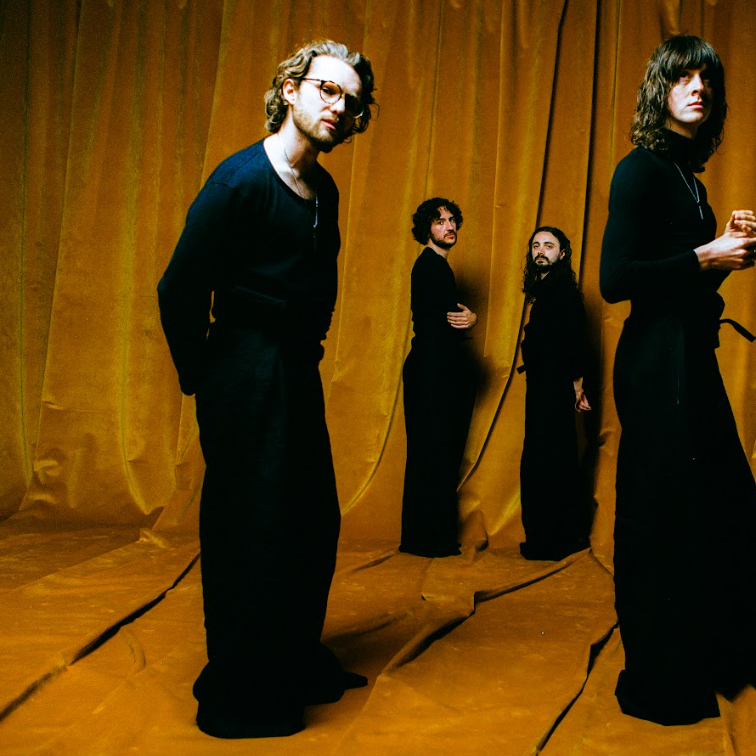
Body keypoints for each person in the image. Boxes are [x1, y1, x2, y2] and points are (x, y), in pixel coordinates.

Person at [156, 40, 375, 739]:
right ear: (290, 89)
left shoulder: (324, 190)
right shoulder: (239, 182)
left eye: (351, 100)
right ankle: (242, 692)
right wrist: (204, 376)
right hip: (243, 369)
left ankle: (293, 661)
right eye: (327, 89)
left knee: (311, 520)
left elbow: (317, 282)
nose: (339, 106)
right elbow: (177, 288)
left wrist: (305, 347)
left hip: (294, 367)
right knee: (252, 527)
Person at [599, 35, 756, 726]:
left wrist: (725, 255)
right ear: (660, 91)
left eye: (706, 79)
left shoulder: (689, 180)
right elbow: (615, 280)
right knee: (662, 518)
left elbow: (684, 279)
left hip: (690, 356)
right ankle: (660, 681)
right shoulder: (639, 169)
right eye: (682, 77)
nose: (697, 87)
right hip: (654, 361)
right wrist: (706, 254)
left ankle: (713, 658)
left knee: (722, 510)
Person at [400, 198, 478, 557]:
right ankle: (430, 539)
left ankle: (425, 538)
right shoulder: (431, 266)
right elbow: (451, 320)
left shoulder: (435, 266)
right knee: (434, 450)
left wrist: (468, 320)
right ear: (426, 229)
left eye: (451, 220)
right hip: (432, 368)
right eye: (439, 221)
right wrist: (470, 320)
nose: (449, 226)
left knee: (431, 450)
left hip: (433, 367)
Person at [518, 226, 592, 561]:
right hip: (543, 386)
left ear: (562, 254)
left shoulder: (563, 293)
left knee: (546, 460)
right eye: (536, 245)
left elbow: (575, 342)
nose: (540, 250)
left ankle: (550, 540)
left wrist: (577, 385)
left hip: (553, 387)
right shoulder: (547, 290)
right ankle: (553, 538)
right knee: (548, 458)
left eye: (548, 245)